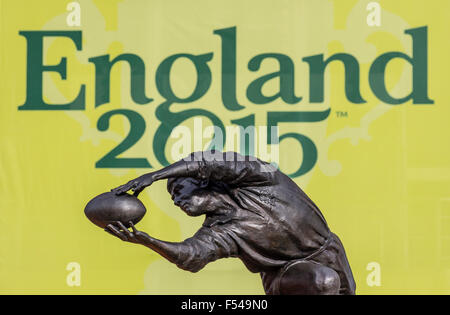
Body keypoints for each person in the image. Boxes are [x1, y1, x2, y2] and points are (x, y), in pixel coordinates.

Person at [107, 150, 356, 295]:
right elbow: (191, 256)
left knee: (340, 286)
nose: (175, 200)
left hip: (329, 251)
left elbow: (209, 161)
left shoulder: (261, 179)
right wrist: (147, 240)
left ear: (202, 182)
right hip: (286, 273)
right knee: (323, 281)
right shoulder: (221, 231)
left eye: (178, 190)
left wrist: (155, 176)